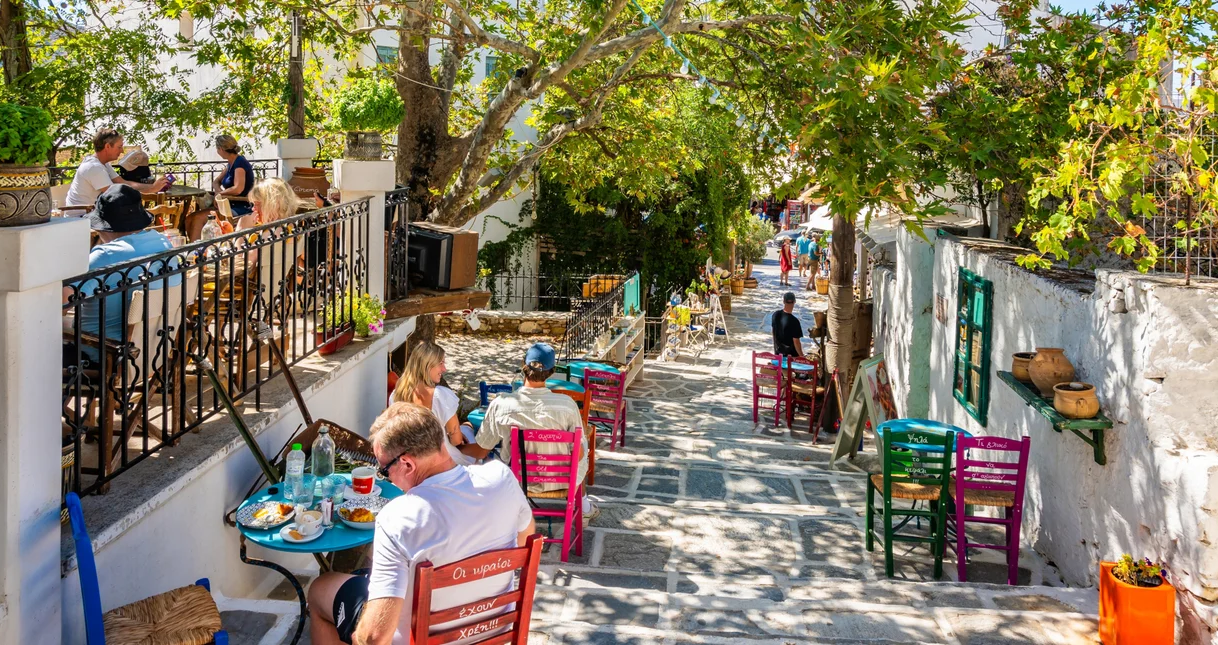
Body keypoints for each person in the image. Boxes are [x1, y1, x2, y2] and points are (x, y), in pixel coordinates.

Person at [306, 403, 535, 645]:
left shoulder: (397, 517)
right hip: (494, 629)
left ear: (407, 464)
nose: (387, 478)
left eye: (385, 471)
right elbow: (525, 539)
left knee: (321, 588)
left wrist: (359, 634)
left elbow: (375, 638)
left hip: (423, 639)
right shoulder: (501, 477)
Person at [63, 185, 180, 361]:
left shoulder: (105, 256)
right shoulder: (162, 242)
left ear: (104, 226)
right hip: (152, 351)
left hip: (102, 354)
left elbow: (62, 304)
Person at [461, 342, 588, 494]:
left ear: (523, 365)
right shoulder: (567, 405)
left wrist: (457, 447)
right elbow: (579, 455)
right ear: (552, 372)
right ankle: (584, 503)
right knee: (582, 440)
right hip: (563, 480)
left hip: (519, 481)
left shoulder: (502, 404)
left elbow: (481, 451)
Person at [391, 342, 479, 467]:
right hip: (443, 461)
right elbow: (456, 440)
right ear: (427, 366)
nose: (444, 369)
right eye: (440, 363)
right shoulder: (440, 396)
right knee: (470, 428)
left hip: (413, 459)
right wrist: (456, 435)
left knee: (465, 427)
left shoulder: (396, 395)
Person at [65, 128, 167, 209]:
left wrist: (153, 187)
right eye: (119, 147)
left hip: (93, 214)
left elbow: (123, 183)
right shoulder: (94, 167)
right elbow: (116, 195)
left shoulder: (103, 164)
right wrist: (151, 189)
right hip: (82, 218)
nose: (122, 151)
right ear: (107, 146)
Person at [212, 134, 255, 221]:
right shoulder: (230, 163)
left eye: (217, 149)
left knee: (198, 218)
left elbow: (238, 189)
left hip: (241, 206)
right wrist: (218, 191)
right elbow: (216, 181)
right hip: (229, 204)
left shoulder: (240, 163)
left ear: (221, 149)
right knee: (194, 217)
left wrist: (220, 194)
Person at [771, 292, 804, 358]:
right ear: (794, 302)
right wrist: (802, 357)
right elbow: (796, 342)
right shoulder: (794, 321)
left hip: (778, 355)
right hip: (791, 358)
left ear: (783, 301)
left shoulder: (775, 315)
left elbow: (773, 333)